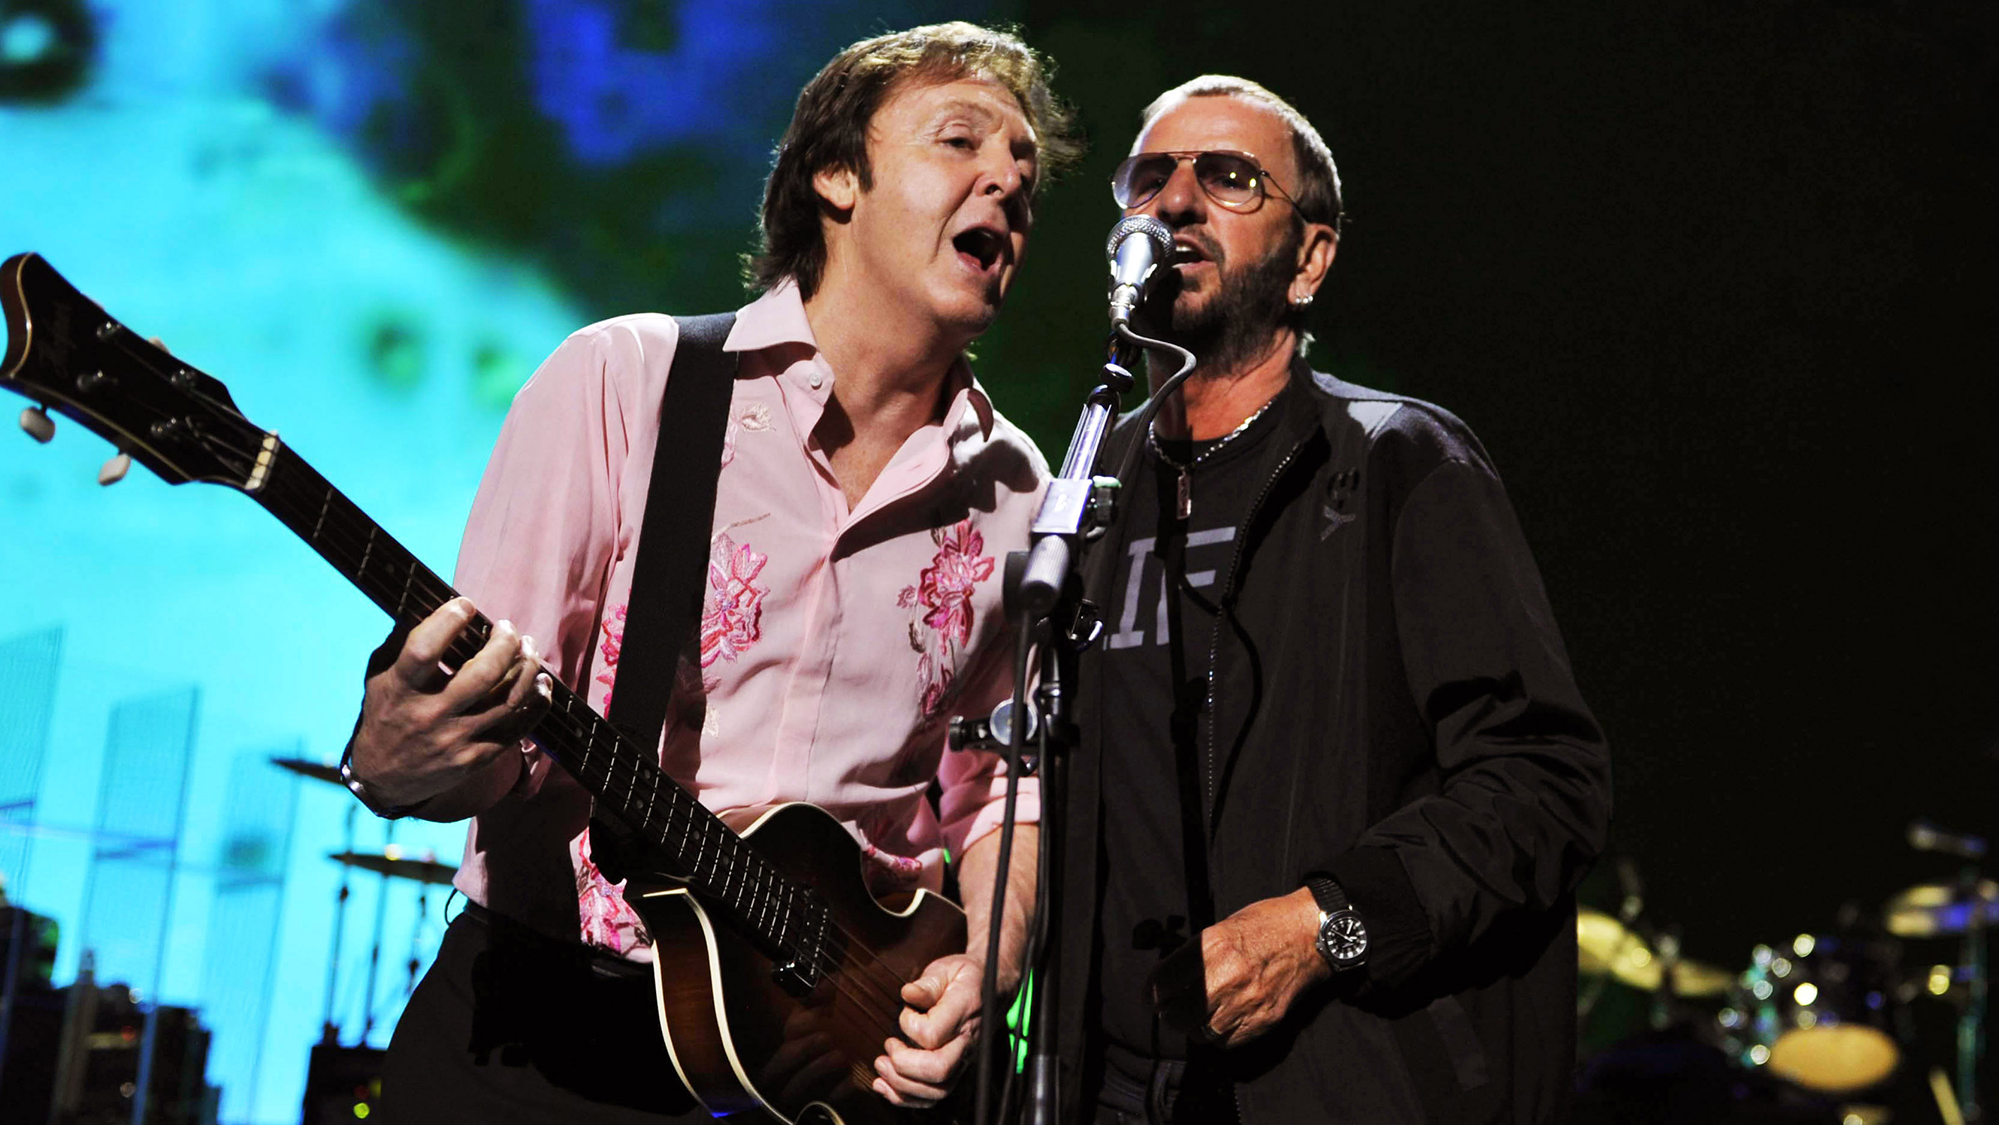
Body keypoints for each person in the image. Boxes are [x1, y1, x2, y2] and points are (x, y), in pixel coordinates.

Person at [340, 22, 1077, 1122]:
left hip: (827, 1065)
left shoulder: (1021, 494)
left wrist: (988, 969)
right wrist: (400, 762)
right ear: (835, 175)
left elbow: (1002, 795)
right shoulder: (627, 384)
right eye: (958, 140)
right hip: (548, 1034)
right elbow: (482, 750)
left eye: (1023, 171)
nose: (1005, 184)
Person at [1055, 76, 1612, 1124]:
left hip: (1349, 1085)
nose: (1174, 202)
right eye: (1147, 179)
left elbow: (1545, 781)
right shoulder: (1089, 494)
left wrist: (1324, 926)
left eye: (1226, 178)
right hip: (1127, 1097)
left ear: (1308, 258)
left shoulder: (1398, 461)